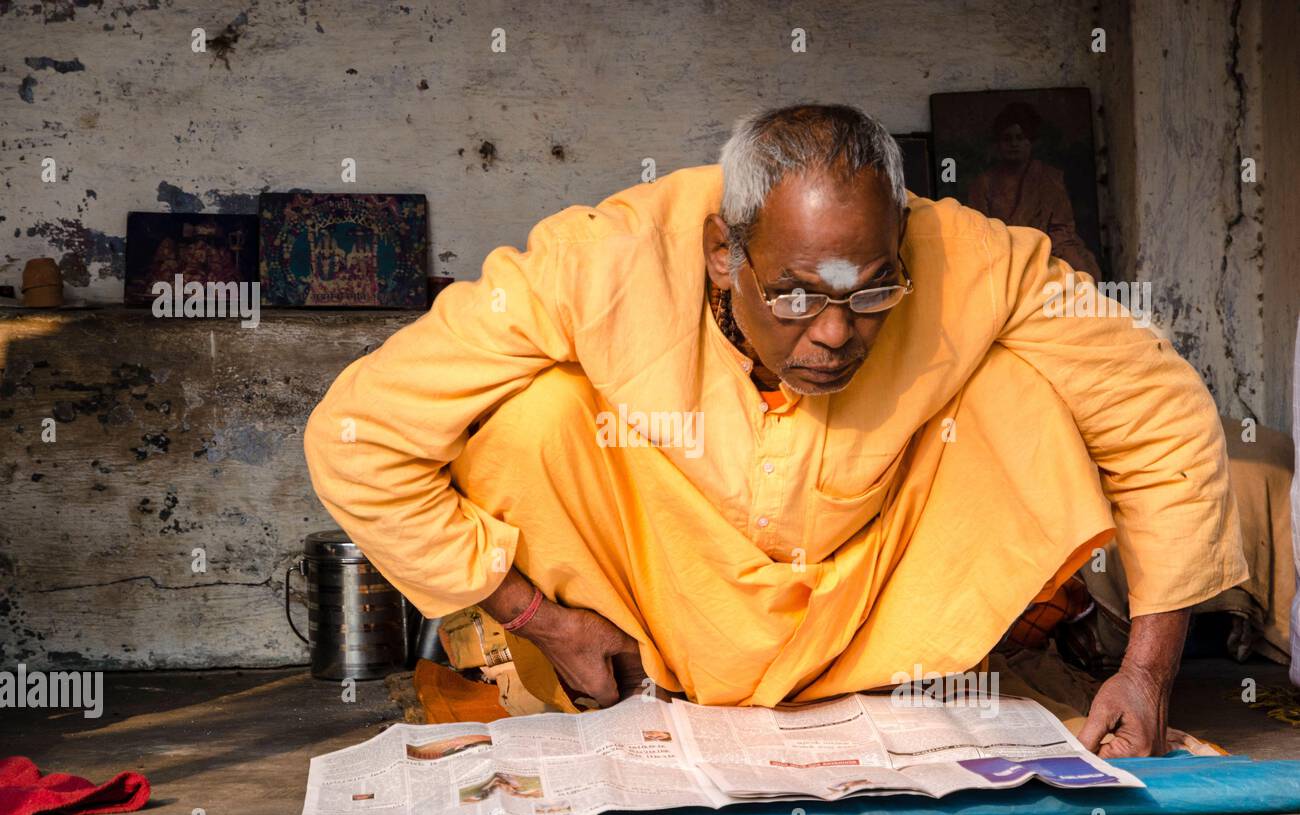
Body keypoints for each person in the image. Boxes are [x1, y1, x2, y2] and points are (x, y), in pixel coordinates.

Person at [303, 104, 1248, 757]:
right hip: (651, 627)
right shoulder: (598, 260)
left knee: (1019, 389)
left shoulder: (972, 256)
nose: (834, 333)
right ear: (723, 253)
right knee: (536, 413)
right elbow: (356, 436)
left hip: (874, 611)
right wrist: (537, 617)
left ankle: (1001, 649)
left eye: (872, 289)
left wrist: (1151, 671)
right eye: (792, 293)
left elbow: (1161, 415)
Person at [967, 101, 1103, 278]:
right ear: (998, 144)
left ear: (1030, 142)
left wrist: (1045, 253)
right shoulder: (983, 183)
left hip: (1050, 249)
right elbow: (979, 232)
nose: (1013, 144)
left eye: (1020, 137)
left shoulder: (1049, 178)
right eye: (1007, 138)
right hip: (1000, 255)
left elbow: (1062, 228)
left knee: (1086, 273)